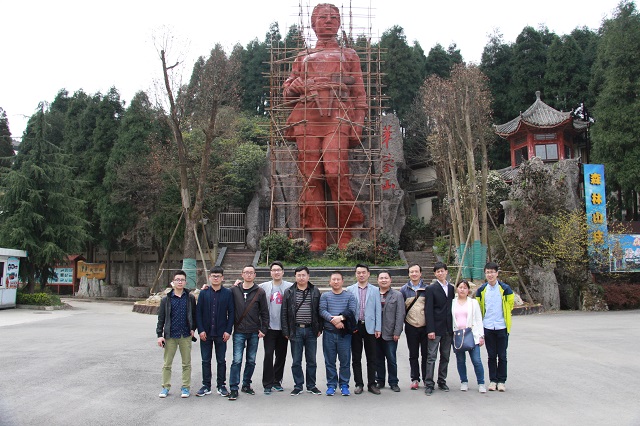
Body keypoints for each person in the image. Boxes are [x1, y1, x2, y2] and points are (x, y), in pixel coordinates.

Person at [282, 2, 367, 251]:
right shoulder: (303, 56)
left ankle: (346, 233)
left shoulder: (349, 54)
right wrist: (293, 87)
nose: (328, 21)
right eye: (322, 17)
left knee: (334, 172)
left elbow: (359, 93)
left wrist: (358, 124)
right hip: (307, 117)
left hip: (338, 116)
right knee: (311, 178)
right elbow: (287, 94)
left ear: (339, 23)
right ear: (313, 23)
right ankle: (318, 237)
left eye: (333, 17)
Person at [228, 265, 269, 400]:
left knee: (251, 360)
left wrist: (263, 329)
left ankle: (246, 384)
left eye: (251, 272)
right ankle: (234, 388)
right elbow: (220, 294)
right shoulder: (234, 290)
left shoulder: (260, 292)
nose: (249, 275)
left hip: (253, 331)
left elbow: (264, 312)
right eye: (246, 272)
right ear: (242, 274)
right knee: (237, 360)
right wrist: (206, 287)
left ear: (255, 275)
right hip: (239, 330)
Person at [281, 266, 322, 396]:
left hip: (311, 330)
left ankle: (311, 385)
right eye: (298, 275)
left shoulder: (315, 291)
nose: (301, 277)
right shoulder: (289, 292)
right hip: (296, 330)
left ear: (308, 276)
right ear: (295, 277)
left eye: (303, 275)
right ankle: (298, 385)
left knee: (311, 360)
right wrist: (286, 331)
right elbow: (284, 313)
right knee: (296, 361)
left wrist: (319, 328)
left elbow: (319, 311)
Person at [156, 270, 197, 398]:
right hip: (170, 335)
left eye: (182, 280)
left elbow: (194, 315)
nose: (180, 282)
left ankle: (185, 387)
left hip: (185, 335)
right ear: (173, 282)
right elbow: (161, 318)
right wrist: (159, 335)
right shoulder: (166, 299)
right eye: (177, 280)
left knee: (186, 363)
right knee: (167, 364)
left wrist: (193, 328)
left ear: (185, 282)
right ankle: (165, 387)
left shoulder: (190, 298)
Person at [195, 266, 234, 398]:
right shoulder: (204, 293)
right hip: (205, 333)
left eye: (218, 276)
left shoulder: (228, 293)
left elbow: (231, 313)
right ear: (210, 277)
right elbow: (198, 313)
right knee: (206, 360)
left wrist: (228, 330)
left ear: (222, 278)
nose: (216, 278)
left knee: (221, 360)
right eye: (213, 276)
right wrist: (200, 330)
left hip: (221, 333)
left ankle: (221, 385)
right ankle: (206, 385)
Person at [475, 262, 514, 392]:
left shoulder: (505, 289)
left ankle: (501, 381)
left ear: (497, 273)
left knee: (502, 355)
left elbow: (510, 305)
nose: (490, 275)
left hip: (502, 326)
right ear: (485, 274)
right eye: (487, 272)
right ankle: (493, 380)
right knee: (491, 355)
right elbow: (479, 308)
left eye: (492, 272)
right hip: (488, 326)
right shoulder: (481, 290)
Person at [319, 271, 357, 396]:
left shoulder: (349, 296)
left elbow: (352, 311)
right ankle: (331, 385)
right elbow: (322, 310)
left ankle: (344, 385)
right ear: (329, 282)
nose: (336, 282)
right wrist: (334, 321)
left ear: (342, 281)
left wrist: (340, 318)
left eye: (338, 279)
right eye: (333, 279)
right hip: (329, 333)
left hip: (344, 334)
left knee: (345, 361)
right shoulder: (325, 296)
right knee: (330, 361)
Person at [259, 261, 293, 394]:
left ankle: (277, 381)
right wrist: (238, 283)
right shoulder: (263, 287)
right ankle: (267, 383)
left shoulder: (290, 287)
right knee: (268, 355)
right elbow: (248, 288)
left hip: (283, 328)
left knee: (281, 355)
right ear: (270, 272)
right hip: (269, 328)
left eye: (279, 270)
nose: (276, 272)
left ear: (283, 272)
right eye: (274, 270)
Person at [347, 264, 382, 395]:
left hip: (370, 327)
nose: (361, 275)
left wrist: (378, 328)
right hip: (356, 327)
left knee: (372, 357)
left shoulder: (375, 290)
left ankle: (372, 383)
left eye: (363, 272)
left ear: (368, 274)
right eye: (358, 272)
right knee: (356, 357)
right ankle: (359, 384)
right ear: (355, 274)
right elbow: (348, 310)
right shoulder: (350, 290)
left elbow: (378, 310)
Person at [424, 261, 455, 396]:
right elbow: (428, 310)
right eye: (438, 271)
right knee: (431, 356)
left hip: (448, 328)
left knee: (445, 356)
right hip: (435, 328)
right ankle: (429, 383)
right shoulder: (431, 289)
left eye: (442, 271)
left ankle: (442, 381)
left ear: (446, 272)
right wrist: (430, 329)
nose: (440, 273)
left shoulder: (452, 288)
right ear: (435, 274)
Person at [451, 280, 486, 393]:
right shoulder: (452, 302)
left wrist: (481, 335)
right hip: (458, 335)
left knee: (476, 360)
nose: (462, 290)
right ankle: (464, 381)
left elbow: (478, 319)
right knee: (461, 360)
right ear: (457, 289)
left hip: (472, 334)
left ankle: (481, 383)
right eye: (460, 287)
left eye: (465, 288)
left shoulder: (473, 303)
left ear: (468, 290)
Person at [399, 264, 428, 390]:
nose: (414, 274)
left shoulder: (427, 289)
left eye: (416, 271)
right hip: (411, 326)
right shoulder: (404, 290)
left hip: (425, 326)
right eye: (412, 272)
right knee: (413, 354)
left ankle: (427, 378)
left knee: (426, 355)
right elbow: (401, 310)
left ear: (420, 273)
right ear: (409, 274)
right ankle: (415, 378)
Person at [375, 271, 404, 392]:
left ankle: (393, 382)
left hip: (390, 333)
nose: (383, 280)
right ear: (377, 280)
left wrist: (397, 332)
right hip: (376, 333)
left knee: (391, 359)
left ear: (390, 280)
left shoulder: (397, 295)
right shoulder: (374, 294)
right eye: (381, 278)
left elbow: (400, 314)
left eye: (386, 278)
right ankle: (380, 381)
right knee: (378, 359)